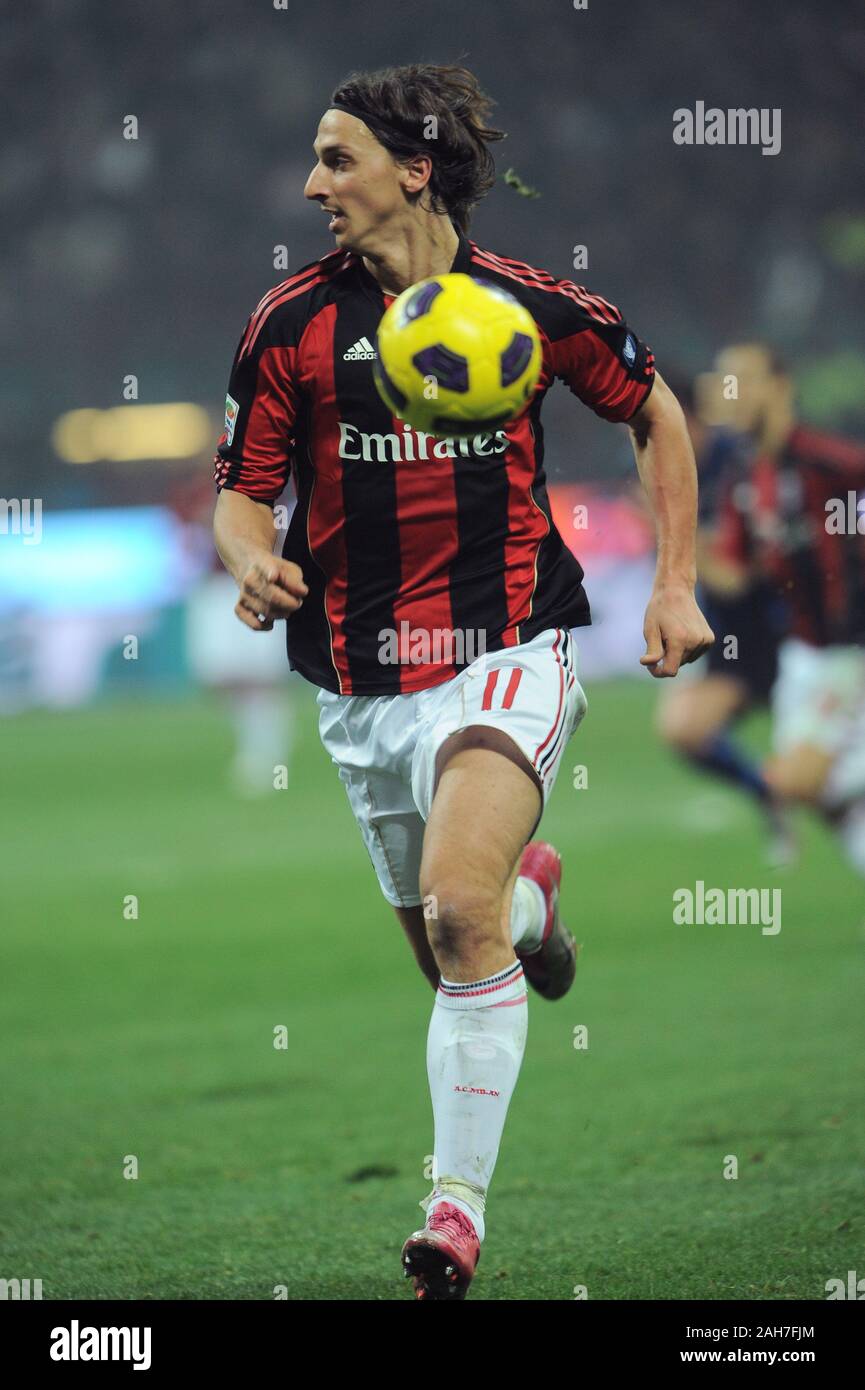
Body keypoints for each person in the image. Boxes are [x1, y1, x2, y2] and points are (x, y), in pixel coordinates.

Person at [212, 63, 712, 1300]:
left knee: (451, 906)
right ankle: (533, 913)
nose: (313, 183)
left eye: (337, 159)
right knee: (465, 945)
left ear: (413, 169)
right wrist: (252, 558)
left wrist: (671, 584)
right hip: (358, 688)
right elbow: (240, 494)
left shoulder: (530, 309)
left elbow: (655, 411)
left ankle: (453, 1214)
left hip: (507, 648)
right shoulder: (288, 326)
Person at [712, 343, 865, 877]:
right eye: (725, 381)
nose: (730, 394)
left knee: (793, 782)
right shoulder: (746, 478)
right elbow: (734, 575)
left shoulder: (836, 465)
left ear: (780, 387)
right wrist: (673, 540)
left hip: (850, 650)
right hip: (804, 654)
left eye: (742, 381)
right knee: (819, 796)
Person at [655, 373, 792, 863]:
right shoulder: (671, 469)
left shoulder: (738, 463)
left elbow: (738, 573)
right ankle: (770, 794)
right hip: (731, 635)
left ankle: (783, 792)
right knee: (682, 728)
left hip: (783, 630)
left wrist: (670, 530)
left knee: (824, 767)